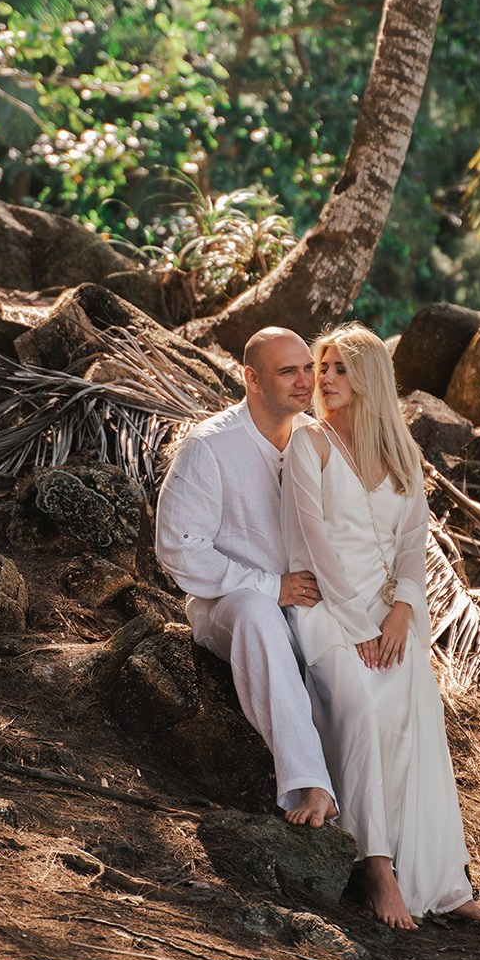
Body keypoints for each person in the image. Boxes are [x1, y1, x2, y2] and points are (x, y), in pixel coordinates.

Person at [281, 322, 480, 930]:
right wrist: (358, 626)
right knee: (363, 706)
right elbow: (313, 542)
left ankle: (446, 883)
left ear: (370, 376)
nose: (324, 378)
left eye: (339, 368)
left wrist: (402, 611)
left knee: (416, 722)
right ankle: (376, 869)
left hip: (393, 616)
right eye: (322, 367)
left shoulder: (403, 452)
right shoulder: (310, 443)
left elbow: (413, 543)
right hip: (326, 610)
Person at [155, 326, 336, 828]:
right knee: (258, 614)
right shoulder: (210, 446)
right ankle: (309, 783)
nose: (305, 381)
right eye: (288, 372)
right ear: (252, 379)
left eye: (309, 368)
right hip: (227, 604)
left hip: (306, 604)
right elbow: (178, 546)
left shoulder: (317, 440)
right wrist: (269, 587)